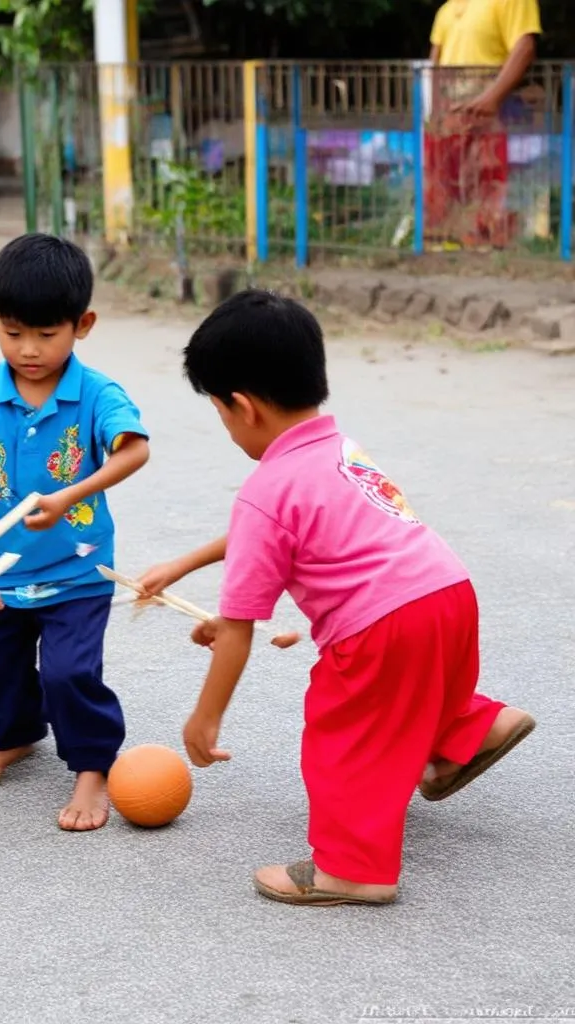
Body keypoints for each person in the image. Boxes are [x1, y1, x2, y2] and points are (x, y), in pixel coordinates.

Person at [138, 289, 535, 906]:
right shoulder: (339, 449)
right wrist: (187, 562)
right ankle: (475, 727)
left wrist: (205, 716)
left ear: (241, 407)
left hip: (380, 625)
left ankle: (351, 869)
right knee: (419, 688)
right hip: (446, 592)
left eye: (217, 411)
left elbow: (239, 627)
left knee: (343, 734)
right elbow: (275, 534)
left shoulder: (264, 489)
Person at [0, 234, 150, 831]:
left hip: (77, 571)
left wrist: (68, 498)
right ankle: (16, 736)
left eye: (46, 334)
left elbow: (134, 452)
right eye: (13, 333)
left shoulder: (98, 394)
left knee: (68, 674)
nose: (29, 349)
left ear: (83, 324)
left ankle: (91, 765)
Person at [426, 0, 542, 248]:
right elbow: (434, 61)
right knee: (444, 181)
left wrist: (491, 99)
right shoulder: (446, 10)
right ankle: (447, 241)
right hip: (450, 111)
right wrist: (435, 110)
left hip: (489, 110)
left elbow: (524, 46)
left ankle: (490, 245)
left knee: (488, 178)